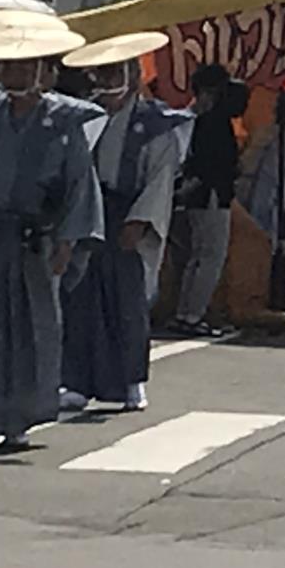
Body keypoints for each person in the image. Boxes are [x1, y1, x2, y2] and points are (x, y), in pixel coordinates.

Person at [0, 25, 104, 448]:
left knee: (27, 332)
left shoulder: (64, 122)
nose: (13, 74)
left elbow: (79, 186)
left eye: (24, 66)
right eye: (7, 65)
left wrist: (67, 244)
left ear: (44, 73)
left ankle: (16, 420)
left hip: (32, 241)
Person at [59, 33, 194, 413]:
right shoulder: (84, 116)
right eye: (101, 72)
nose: (106, 80)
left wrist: (140, 220)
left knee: (127, 304)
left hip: (128, 213)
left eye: (114, 71)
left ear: (134, 74)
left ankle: (132, 380)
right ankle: (78, 381)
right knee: (82, 299)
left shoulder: (156, 123)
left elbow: (160, 178)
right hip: (89, 212)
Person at [172, 63, 240, 336]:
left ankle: (185, 312)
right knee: (211, 255)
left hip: (196, 194)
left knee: (197, 255)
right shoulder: (212, 121)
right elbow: (214, 161)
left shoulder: (191, 118)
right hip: (212, 193)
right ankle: (192, 314)